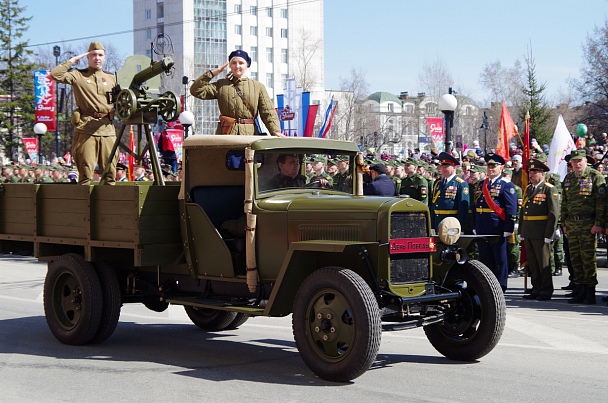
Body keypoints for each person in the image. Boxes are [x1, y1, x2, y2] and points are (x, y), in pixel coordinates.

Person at [50, 41, 118, 185]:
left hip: (107, 128)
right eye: (93, 55)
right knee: (86, 172)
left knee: (110, 172)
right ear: (88, 57)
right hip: (86, 129)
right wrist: (72, 61)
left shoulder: (112, 78)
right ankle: (86, 206)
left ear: (104, 57)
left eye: (100, 55)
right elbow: (55, 74)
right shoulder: (78, 75)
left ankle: (109, 206)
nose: (97, 58)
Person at [190, 50, 284, 137]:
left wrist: (275, 131)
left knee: (249, 155)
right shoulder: (221, 85)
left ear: (247, 65)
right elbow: (196, 90)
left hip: (249, 135)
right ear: (230, 66)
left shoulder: (258, 87)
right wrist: (214, 72)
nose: (237, 66)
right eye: (233, 63)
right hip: (226, 133)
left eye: (241, 63)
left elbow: (268, 112)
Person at [561, 148, 606, 304]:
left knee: (588, 259)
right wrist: (564, 223)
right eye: (574, 161)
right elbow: (564, 203)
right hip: (572, 224)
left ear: (586, 161)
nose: (577, 163)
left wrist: (599, 224)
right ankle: (579, 289)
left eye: (579, 161)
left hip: (588, 224)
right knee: (575, 258)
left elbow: (601, 204)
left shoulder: (595, 177)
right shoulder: (569, 178)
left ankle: (590, 291)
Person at [472, 153, 518, 292]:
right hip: (482, 226)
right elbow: (475, 206)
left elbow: (511, 208)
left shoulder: (506, 185)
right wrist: (474, 225)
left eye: (494, 166)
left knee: (500, 259)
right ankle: (488, 287)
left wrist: (508, 228)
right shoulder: (481, 184)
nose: (491, 168)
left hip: (497, 226)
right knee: (485, 259)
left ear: (501, 167)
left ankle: (501, 286)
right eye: (489, 165)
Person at [519, 159, 560, 301]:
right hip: (529, 231)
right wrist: (521, 230)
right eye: (531, 172)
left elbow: (553, 213)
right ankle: (536, 288)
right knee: (533, 262)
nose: (531, 174)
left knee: (543, 263)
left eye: (535, 172)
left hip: (541, 231)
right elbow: (523, 211)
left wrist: (550, 234)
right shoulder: (529, 189)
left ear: (542, 174)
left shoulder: (549, 189)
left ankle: (546, 289)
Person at [429, 152, 469, 232]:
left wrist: (460, 228)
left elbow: (463, 209)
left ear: (454, 167)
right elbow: (433, 205)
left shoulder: (460, 184)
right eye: (442, 166)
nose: (443, 168)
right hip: (437, 222)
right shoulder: (438, 183)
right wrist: (432, 225)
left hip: (451, 223)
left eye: (446, 166)